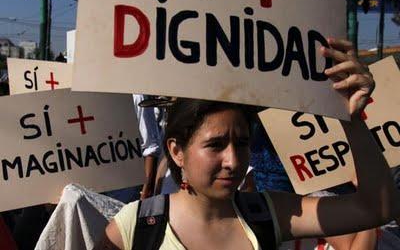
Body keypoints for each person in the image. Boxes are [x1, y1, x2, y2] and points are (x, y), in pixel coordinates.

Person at [95, 39, 400, 249]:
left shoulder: (270, 213)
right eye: (215, 145)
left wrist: (352, 119)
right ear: (176, 151)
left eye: (241, 143)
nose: (233, 161)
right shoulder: (136, 226)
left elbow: (375, 209)